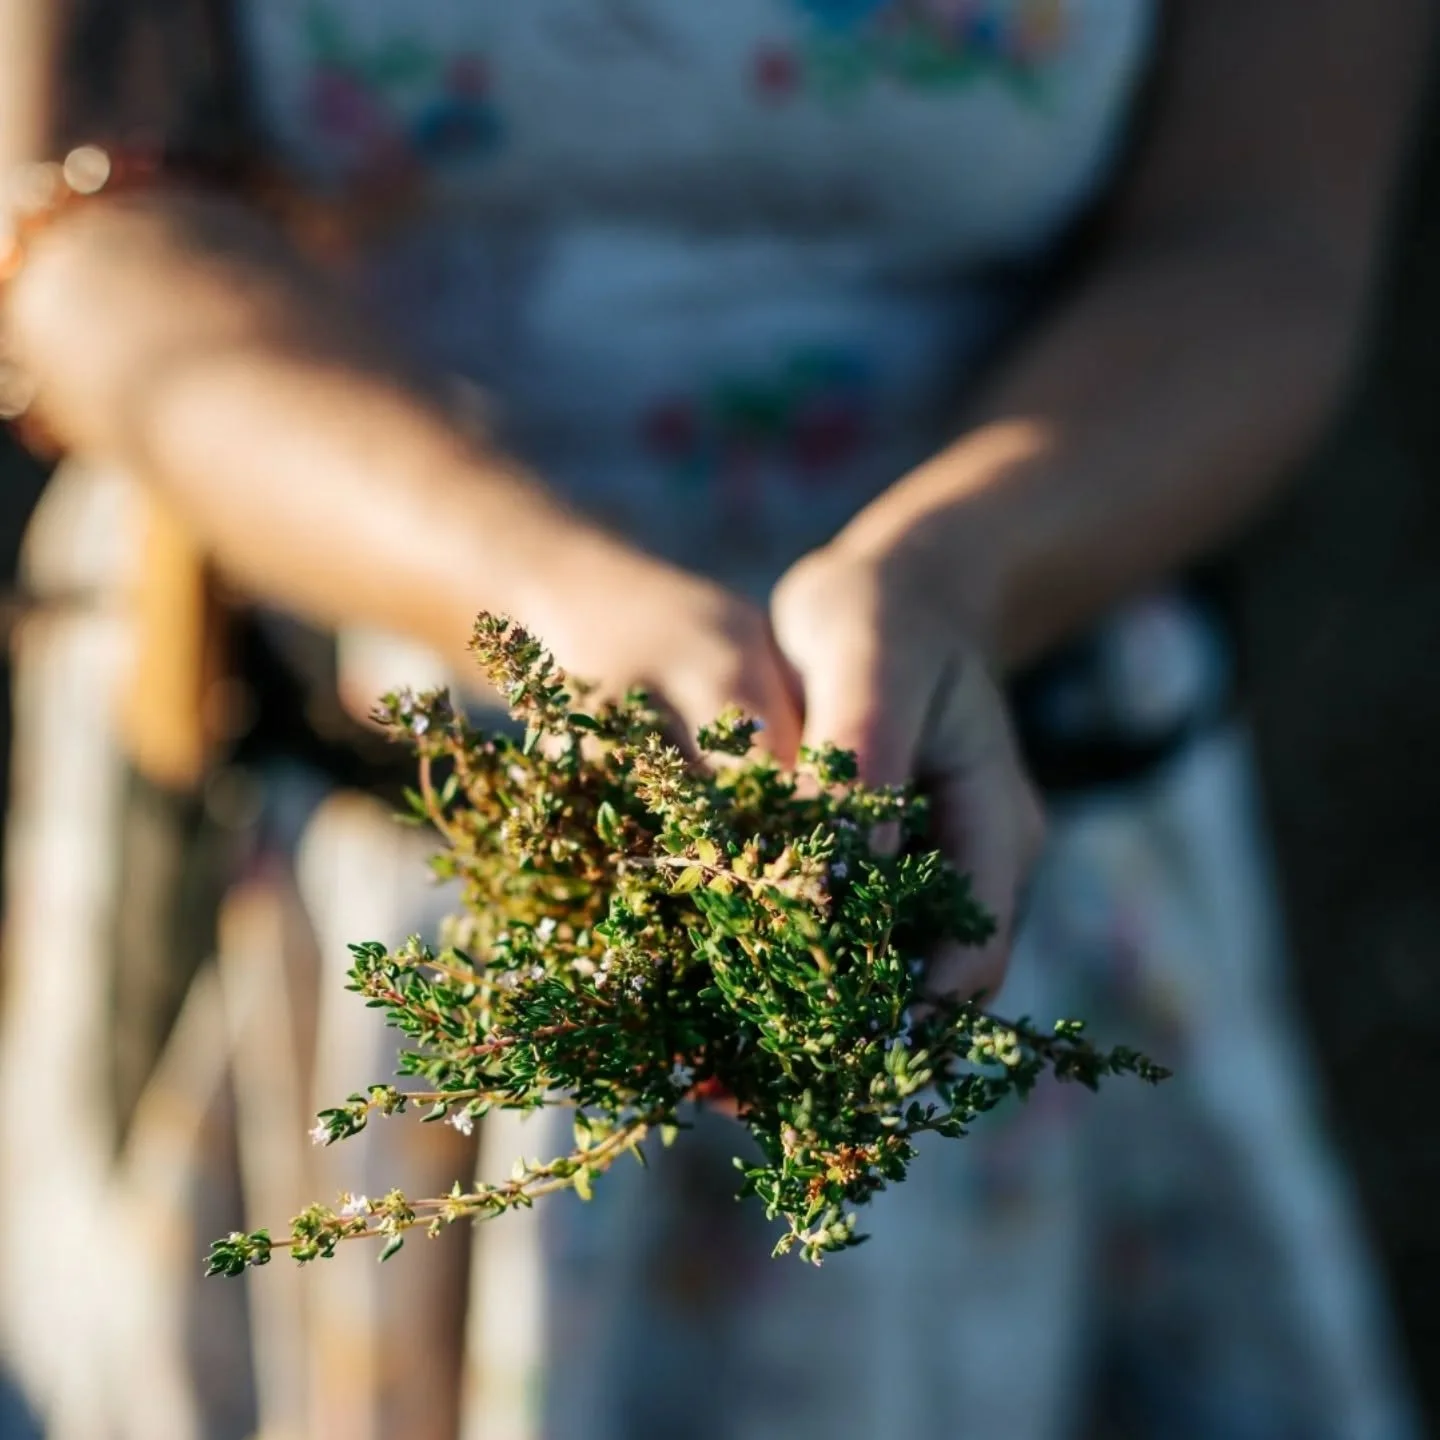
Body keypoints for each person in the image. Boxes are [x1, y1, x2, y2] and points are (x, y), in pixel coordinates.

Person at [0, 1, 1429, 1437]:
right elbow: (96, 221)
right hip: (364, 788)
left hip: (1001, 764)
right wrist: (532, 593)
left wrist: (958, 574)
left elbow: (1260, 242)